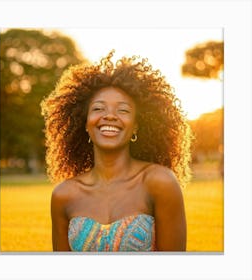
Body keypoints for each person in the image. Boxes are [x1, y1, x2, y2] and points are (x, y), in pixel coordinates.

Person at [41, 50, 192, 252]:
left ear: (136, 126)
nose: (109, 116)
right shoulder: (63, 195)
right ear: (84, 123)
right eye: (98, 109)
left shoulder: (160, 183)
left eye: (123, 110)